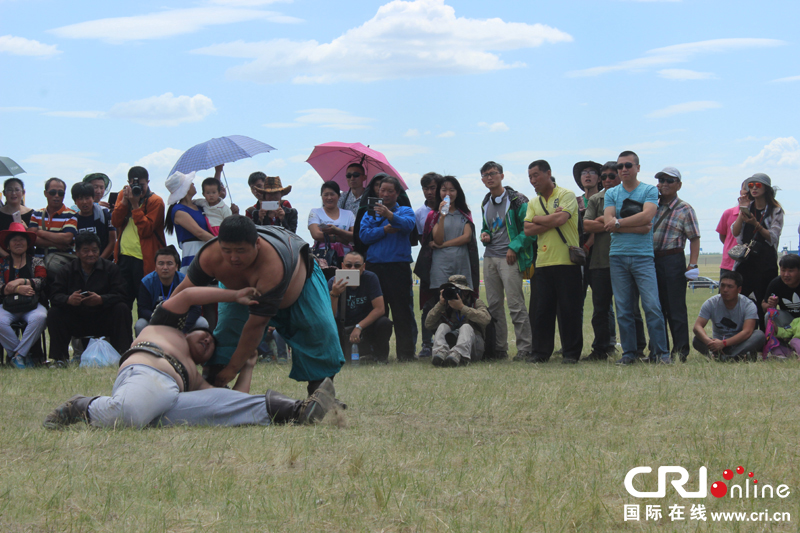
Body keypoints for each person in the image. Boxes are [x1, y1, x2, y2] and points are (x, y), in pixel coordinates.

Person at [43, 285, 336, 429]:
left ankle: (297, 411)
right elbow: (188, 296)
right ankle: (81, 406)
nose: (208, 339)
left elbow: (232, 401)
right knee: (130, 415)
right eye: (205, 334)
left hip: (171, 397)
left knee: (225, 407)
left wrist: (246, 367)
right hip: (147, 373)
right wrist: (234, 295)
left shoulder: (194, 377)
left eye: (209, 347)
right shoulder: (164, 326)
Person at [174, 216, 345, 394]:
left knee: (320, 330)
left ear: (257, 243)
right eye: (227, 250)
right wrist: (161, 328)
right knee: (227, 331)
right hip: (239, 293)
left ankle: (321, 395)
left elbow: (256, 324)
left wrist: (233, 369)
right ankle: (211, 390)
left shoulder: (272, 265)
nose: (233, 258)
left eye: (241, 251)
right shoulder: (209, 256)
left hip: (301, 282)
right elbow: (181, 296)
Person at [603, 150, 670, 365]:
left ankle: (661, 354)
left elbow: (648, 217)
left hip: (643, 257)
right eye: (620, 166)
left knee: (652, 306)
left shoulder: (649, 190)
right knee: (623, 309)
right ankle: (629, 354)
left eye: (628, 165)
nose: (623, 170)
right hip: (618, 257)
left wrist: (619, 224)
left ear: (638, 168)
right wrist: (636, 226)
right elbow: (607, 223)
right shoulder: (612, 193)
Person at [523, 160, 583, 364]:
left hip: (567, 262)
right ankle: (540, 353)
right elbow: (527, 230)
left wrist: (538, 219)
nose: (533, 180)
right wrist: (545, 219)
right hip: (543, 263)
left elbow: (560, 221)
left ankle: (571, 354)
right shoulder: (533, 202)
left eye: (536, 175)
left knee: (569, 310)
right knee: (542, 312)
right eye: (530, 177)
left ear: (548, 173)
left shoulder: (566, 195)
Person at [478, 161, 535, 361]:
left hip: (509, 257)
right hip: (489, 257)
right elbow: (486, 227)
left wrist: (514, 247)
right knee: (493, 306)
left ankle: (525, 348)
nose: (489, 177)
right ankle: (498, 348)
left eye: (493, 173)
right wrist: (484, 235)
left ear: (502, 175)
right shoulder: (485, 202)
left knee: (515, 304)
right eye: (485, 175)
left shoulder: (518, 200)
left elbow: (530, 230)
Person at [47, 233, 132, 363]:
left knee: (122, 308)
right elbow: (54, 296)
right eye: (86, 251)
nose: (91, 254)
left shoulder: (111, 268)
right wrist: (68, 299)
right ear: (77, 252)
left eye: (94, 250)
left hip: (103, 317)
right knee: (54, 312)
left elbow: (122, 294)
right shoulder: (66, 270)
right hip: (76, 318)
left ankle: (123, 355)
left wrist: (102, 299)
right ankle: (60, 359)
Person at [359, 176, 417, 361]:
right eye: (381, 190)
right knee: (377, 312)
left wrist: (390, 215)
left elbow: (407, 225)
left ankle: (406, 354)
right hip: (375, 267)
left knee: (402, 311)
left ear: (397, 193)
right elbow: (363, 236)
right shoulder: (370, 213)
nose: (384, 194)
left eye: (389, 191)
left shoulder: (406, 210)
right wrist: (384, 229)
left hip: (398, 267)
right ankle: (378, 354)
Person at [651, 167, 700, 362]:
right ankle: (659, 351)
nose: (664, 184)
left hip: (673, 260)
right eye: (661, 180)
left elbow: (694, 238)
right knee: (655, 307)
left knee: (675, 308)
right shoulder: (650, 206)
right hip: (651, 260)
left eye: (669, 181)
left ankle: (680, 352)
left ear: (678, 185)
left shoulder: (685, 209)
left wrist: (693, 264)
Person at [731, 173, 784, 330]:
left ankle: (766, 339)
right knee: (741, 298)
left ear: (766, 188)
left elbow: (773, 237)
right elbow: (735, 232)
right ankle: (743, 334)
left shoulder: (775, 210)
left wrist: (756, 224)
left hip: (765, 262)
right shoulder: (748, 207)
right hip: (746, 262)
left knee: (764, 301)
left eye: (757, 185)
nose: (753, 188)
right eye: (750, 185)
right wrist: (743, 210)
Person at [112, 166, 166, 310]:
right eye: (134, 185)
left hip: (145, 259)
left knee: (145, 303)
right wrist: (125, 202)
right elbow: (115, 222)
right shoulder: (122, 196)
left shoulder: (156, 201)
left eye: (142, 185)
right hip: (124, 257)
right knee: (122, 302)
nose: (138, 189)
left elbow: (146, 230)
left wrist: (135, 206)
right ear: (128, 183)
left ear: (148, 182)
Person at [328, 250, 393, 363]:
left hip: (365, 326)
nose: (352, 269)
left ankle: (380, 357)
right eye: (348, 265)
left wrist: (359, 326)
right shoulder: (334, 282)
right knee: (328, 326)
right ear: (342, 266)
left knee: (384, 323)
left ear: (363, 267)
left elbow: (380, 309)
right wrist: (334, 294)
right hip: (343, 327)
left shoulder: (370, 278)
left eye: (357, 265)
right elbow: (330, 315)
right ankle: (337, 355)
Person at [0, 223, 47, 368]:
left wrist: (22, 281)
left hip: (32, 305)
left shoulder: (36, 261)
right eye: (14, 240)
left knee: (41, 317)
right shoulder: (1, 264)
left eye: (22, 240)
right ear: (8, 245)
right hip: (7, 306)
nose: (18, 243)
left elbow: (42, 281)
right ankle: (22, 356)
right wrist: (17, 289)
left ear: (28, 244)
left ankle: (18, 356)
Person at [692, 271, 765, 361]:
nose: (725, 290)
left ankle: (726, 357)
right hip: (717, 346)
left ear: (739, 290)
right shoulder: (711, 303)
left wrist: (724, 343)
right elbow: (697, 327)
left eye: (730, 286)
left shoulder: (748, 305)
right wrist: (710, 342)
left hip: (739, 344)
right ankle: (735, 357)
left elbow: (747, 331)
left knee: (759, 335)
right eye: (722, 285)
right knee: (697, 339)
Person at [135, 246, 208, 336]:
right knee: (140, 325)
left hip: (180, 320)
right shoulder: (147, 282)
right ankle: (146, 349)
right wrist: (160, 320)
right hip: (156, 320)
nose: (165, 267)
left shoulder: (185, 282)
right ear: (155, 267)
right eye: (161, 263)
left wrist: (182, 328)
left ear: (176, 266)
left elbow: (196, 308)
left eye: (169, 263)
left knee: (202, 323)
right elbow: (143, 309)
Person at [425, 274, 491, 367]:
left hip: (473, 346)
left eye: (456, 290)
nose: (453, 293)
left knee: (466, 327)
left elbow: (486, 319)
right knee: (443, 326)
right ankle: (440, 352)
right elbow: (428, 324)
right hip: (451, 343)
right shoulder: (445, 305)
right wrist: (440, 304)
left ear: (465, 292)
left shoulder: (475, 302)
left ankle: (459, 353)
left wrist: (462, 308)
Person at [428, 176, 479, 290]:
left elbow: (466, 237)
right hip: (441, 265)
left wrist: (442, 245)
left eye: (452, 190)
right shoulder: (434, 215)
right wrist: (442, 217)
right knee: (441, 300)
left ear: (457, 192)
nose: (448, 193)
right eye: (444, 190)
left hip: (461, 264)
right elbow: (438, 239)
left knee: (462, 300)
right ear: (439, 192)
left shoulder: (464, 213)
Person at [413, 172, 443, 358]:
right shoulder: (419, 213)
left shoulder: (451, 209)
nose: (429, 192)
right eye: (426, 188)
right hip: (428, 264)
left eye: (433, 188)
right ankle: (426, 344)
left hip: (449, 261)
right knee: (428, 304)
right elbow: (420, 239)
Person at [165, 171, 214, 272]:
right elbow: (199, 233)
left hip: (204, 249)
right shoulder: (179, 210)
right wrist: (220, 243)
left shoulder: (198, 206)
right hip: (194, 252)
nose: (193, 184)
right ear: (186, 189)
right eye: (190, 183)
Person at [308, 181, 355, 267]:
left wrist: (337, 230)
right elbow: (316, 234)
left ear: (339, 196)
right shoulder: (315, 212)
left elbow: (355, 235)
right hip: (322, 259)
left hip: (345, 259)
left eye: (332, 194)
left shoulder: (349, 214)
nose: (329, 198)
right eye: (326, 195)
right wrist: (339, 238)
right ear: (321, 196)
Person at [28, 178, 77, 255]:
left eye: (60, 193)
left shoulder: (71, 214)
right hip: (39, 263)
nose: (57, 196)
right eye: (53, 192)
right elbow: (31, 239)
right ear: (45, 193)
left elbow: (66, 238)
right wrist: (56, 244)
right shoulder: (36, 214)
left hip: (61, 264)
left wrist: (39, 232)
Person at [71, 182, 116, 260]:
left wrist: (99, 261)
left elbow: (112, 242)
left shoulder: (105, 215)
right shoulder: (73, 219)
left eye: (87, 198)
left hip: (104, 263)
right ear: (75, 201)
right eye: (80, 198)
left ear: (93, 198)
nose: (84, 202)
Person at [717, 180, 749, 276]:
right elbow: (723, 236)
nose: (747, 191)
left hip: (749, 263)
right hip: (729, 263)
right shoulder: (728, 213)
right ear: (740, 192)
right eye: (745, 188)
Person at [0, 178, 34, 259]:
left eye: (17, 190)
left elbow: (35, 238)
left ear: (23, 193)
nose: (13, 193)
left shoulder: (32, 214)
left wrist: (27, 229)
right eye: (9, 190)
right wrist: (8, 257)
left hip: (27, 259)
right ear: (4, 193)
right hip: (2, 260)